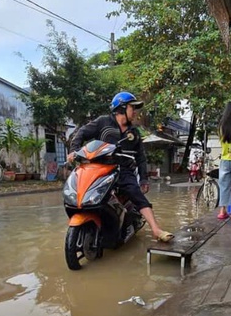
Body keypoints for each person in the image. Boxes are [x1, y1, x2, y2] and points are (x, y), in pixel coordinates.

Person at [67, 92, 174, 242]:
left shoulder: (134, 132)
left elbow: (141, 158)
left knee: (137, 194)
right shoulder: (103, 122)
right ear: (122, 108)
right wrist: (74, 150)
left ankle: (156, 230)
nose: (135, 112)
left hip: (124, 171)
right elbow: (82, 132)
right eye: (132, 108)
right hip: (100, 169)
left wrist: (144, 179)